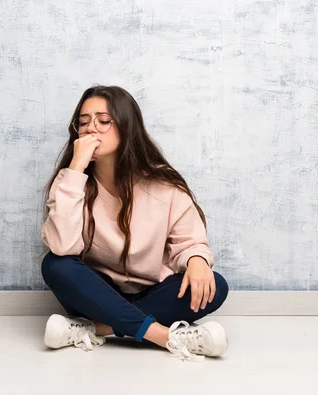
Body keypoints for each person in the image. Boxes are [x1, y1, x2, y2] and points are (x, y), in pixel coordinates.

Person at [40, 85, 229, 362]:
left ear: (127, 126)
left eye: (103, 121)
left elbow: (189, 242)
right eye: (83, 122)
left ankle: (96, 329)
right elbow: (62, 245)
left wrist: (197, 260)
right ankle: (165, 337)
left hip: (153, 290)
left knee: (216, 285)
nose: (91, 129)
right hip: (98, 291)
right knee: (55, 265)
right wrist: (76, 169)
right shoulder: (71, 182)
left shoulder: (163, 184)